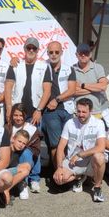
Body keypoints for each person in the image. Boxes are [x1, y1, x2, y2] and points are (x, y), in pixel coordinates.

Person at [52, 98, 107, 202]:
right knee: (58, 179)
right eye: (78, 111)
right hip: (73, 161)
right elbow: (60, 147)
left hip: (90, 160)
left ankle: (97, 187)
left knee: (99, 157)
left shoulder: (98, 123)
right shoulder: (70, 123)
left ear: (90, 111)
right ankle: (79, 177)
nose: (81, 114)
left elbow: (101, 147)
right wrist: (59, 167)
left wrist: (80, 155)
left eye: (84, 112)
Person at [40, 41, 76, 170]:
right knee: (55, 144)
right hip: (50, 112)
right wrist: (14, 60)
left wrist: (56, 99)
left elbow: (72, 90)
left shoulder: (69, 69)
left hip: (67, 109)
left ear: (61, 52)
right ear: (47, 52)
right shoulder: (41, 66)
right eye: (51, 52)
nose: (54, 55)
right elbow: (26, 63)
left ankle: (69, 172)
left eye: (56, 52)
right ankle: (58, 173)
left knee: (69, 143)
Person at [4, 37, 51, 124]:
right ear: (24, 49)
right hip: (17, 111)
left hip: (34, 112)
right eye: (29, 48)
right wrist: (9, 108)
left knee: (33, 136)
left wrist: (39, 110)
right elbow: (8, 88)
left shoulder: (44, 67)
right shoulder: (15, 65)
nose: (31, 50)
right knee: (15, 137)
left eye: (34, 48)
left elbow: (47, 91)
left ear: (37, 51)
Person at [6, 103, 42, 193]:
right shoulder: (7, 128)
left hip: (27, 158)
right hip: (11, 156)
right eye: (15, 115)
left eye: (21, 115)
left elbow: (36, 149)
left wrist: (22, 146)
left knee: (26, 152)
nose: (18, 118)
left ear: (25, 115)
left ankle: (27, 182)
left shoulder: (31, 128)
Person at [73, 43, 108, 115]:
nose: (83, 55)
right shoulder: (71, 70)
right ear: (76, 55)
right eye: (81, 53)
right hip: (78, 113)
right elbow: (72, 91)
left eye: (86, 53)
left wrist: (83, 85)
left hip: (97, 111)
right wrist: (95, 89)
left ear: (90, 54)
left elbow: (103, 86)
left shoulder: (98, 67)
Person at [4, 130, 34, 202]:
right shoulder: (7, 148)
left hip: (8, 173)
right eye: (19, 141)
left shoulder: (18, 151)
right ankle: (5, 190)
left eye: (24, 143)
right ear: (13, 139)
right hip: (1, 173)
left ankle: (7, 189)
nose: (21, 145)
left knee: (26, 166)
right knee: (24, 170)